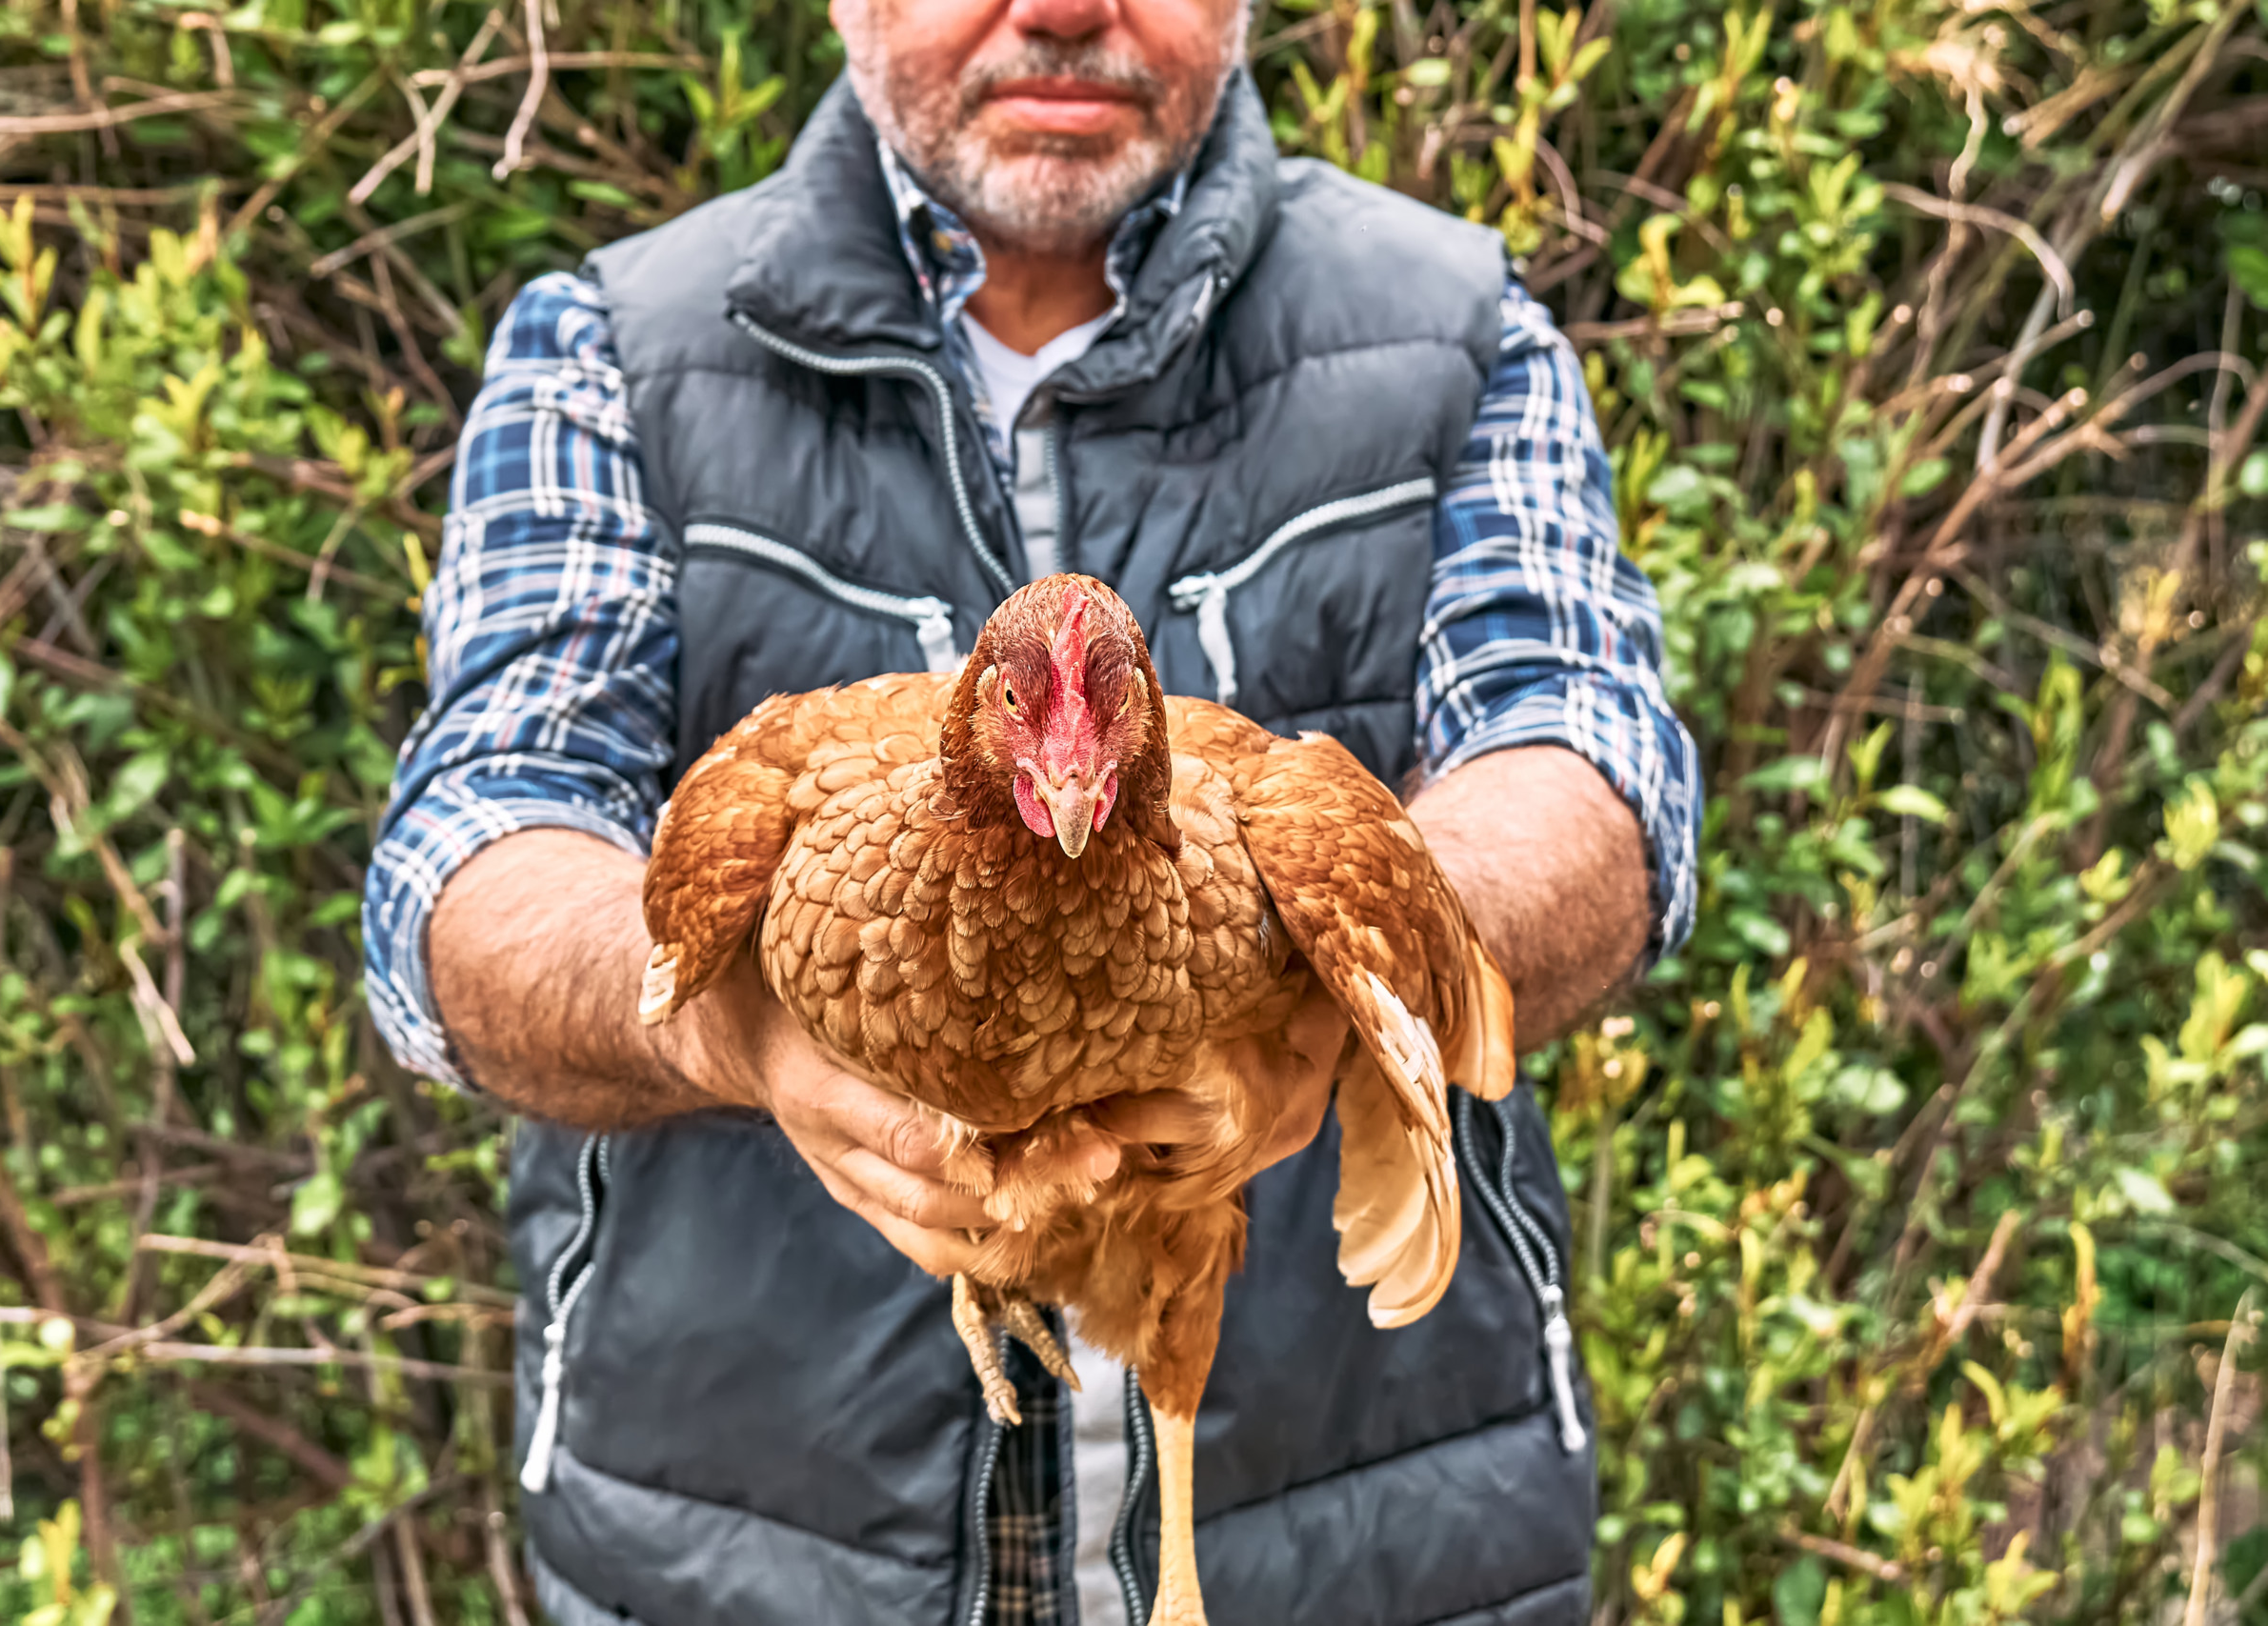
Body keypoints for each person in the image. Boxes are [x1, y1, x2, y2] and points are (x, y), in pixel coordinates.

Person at [360, 0, 1700, 1612]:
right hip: (748, 1551)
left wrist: (1338, 987)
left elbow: (1587, 764)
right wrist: (734, 1029)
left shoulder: (1455, 324)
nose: (1062, 8)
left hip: (1369, 1541)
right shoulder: (618, 348)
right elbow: (474, 847)